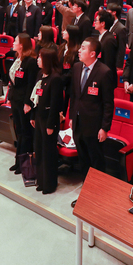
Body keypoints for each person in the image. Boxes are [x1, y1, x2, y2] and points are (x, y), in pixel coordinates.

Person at [68, 38, 115, 208]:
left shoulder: (104, 72)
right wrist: (72, 117)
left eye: (83, 48)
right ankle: (86, 193)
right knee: (83, 160)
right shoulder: (76, 67)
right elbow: (74, 95)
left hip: (94, 126)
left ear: (93, 53)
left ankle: (98, 196)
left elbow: (108, 103)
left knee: (96, 162)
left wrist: (104, 127)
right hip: (78, 123)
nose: (79, 51)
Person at [31, 47, 64, 194]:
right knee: (38, 149)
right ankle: (41, 180)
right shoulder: (40, 74)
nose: (38, 59)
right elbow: (36, 97)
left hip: (49, 120)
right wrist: (33, 116)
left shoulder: (55, 78)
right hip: (39, 116)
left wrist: (51, 125)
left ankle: (49, 184)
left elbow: (56, 104)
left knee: (48, 152)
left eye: (40, 57)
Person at [7, 34, 39, 175]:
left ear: (22, 45)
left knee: (26, 133)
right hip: (15, 99)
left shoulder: (30, 62)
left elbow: (31, 84)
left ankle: (24, 164)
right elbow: (13, 82)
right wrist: (10, 97)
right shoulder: (18, 59)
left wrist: (27, 103)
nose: (13, 43)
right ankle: (18, 161)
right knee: (19, 131)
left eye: (16, 41)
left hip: (23, 102)